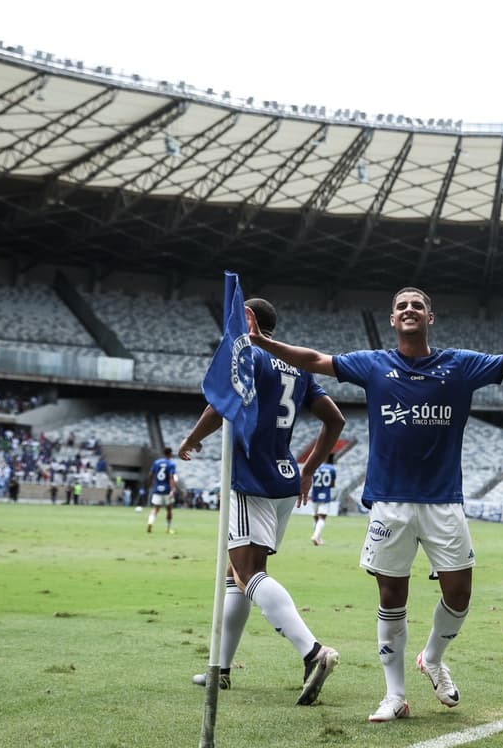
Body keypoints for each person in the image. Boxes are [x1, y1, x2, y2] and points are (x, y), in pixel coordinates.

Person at [248, 287, 503, 722]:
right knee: (391, 596)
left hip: (443, 502)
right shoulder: (374, 364)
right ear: (392, 320)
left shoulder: (460, 365)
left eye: (417, 306)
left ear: (430, 318)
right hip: (390, 504)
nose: (409, 310)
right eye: (401, 307)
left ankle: (432, 657)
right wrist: (264, 343)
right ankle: (394, 696)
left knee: (460, 592)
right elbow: (316, 360)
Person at [180, 297, 345, 706]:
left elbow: (220, 406)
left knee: (248, 572)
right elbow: (335, 420)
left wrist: (193, 438)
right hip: (286, 479)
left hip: (249, 478)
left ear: (250, 319)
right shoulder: (297, 364)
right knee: (238, 577)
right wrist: (308, 470)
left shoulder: (247, 354)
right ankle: (220, 669)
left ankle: (313, 652)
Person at [146, 447, 178, 534]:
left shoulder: (157, 462)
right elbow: (171, 477)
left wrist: (152, 484)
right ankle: (168, 528)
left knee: (155, 508)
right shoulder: (171, 464)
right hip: (167, 490)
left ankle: (150, 522)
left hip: (157, 489)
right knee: (169, 509)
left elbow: (151, 474)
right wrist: (172, 490)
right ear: (170, 454)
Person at [309, 453, 337, 546]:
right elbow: (332, 484)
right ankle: (315, 536)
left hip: (315, 494)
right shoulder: (332, 468)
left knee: (316, 518)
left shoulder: (315, 467)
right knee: (322, 518)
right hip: (325, 495)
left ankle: (318, 538)